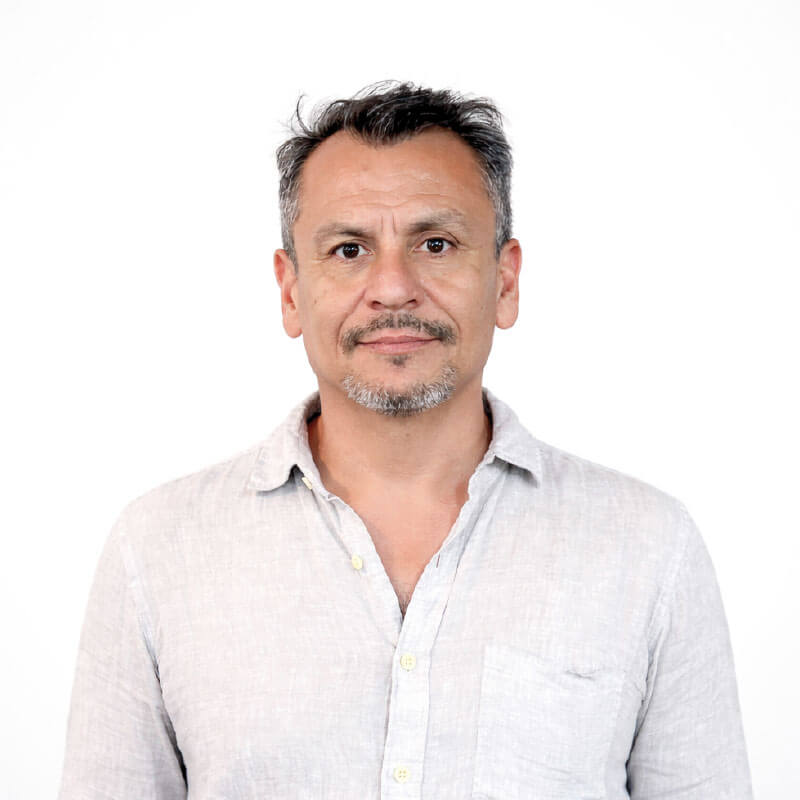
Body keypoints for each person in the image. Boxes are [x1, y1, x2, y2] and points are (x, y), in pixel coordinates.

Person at [57, 81, 753, 799]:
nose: (392, 288)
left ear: (505, 281)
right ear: (291, 291)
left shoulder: (649, 549)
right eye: (349, 249)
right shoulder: (158, 550)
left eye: (436, 244)